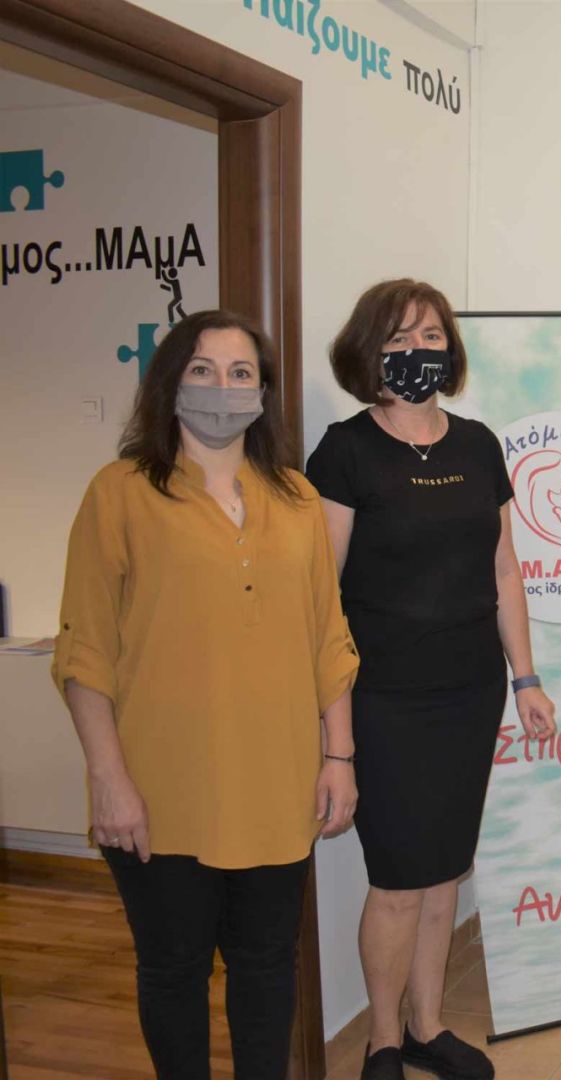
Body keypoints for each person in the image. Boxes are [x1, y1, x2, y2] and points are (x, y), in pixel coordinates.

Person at [53, 310, 358, 1080]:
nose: (223, 388)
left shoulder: (296, 498)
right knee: (173, 969)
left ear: (263, 391)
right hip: (160, 789)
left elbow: (328, 638)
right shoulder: (120, 493)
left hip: (277, 784)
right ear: (170, 384)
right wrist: (108, 778)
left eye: (240, 373)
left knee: (267, 966)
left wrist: (339, 756)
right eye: (203, 371)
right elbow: (85, 649)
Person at [306, 280, 557, 1080]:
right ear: (368, 350)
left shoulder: (479, 445)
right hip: (383, 701)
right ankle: (382, 1040)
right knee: (397, 881)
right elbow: (320, 598)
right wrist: (334, 733)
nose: (418, 350)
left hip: (470, 691)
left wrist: (526, 678)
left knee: (446, 868)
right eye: (399, 337)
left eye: (431, 335)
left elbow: (505, 570)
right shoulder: (345, 452)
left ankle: (427, 1025)